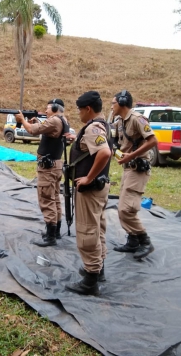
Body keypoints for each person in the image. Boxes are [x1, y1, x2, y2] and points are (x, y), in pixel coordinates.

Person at [63, 91, 112, 296]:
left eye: (80, 109)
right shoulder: (102, 125)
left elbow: (104, 152)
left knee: (87, 232)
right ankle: (98, 270)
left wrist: (88, 178)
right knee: (98, 229)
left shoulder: (92, 128)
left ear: (88, 109)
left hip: (90, 190)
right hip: (100, 188)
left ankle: (90, 280)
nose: (79, 113)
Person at [15, 98, 69, 247]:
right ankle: (55, 231)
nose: (45, 111)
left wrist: (22, 120)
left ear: (56, 107)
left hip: (49, 167)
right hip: (55, 165)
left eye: (48, 108)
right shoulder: (62, 120)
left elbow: (32, 131)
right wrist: (36, 121)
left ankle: (50, 237)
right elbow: (46, 129)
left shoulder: (54, 121)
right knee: (54, 198)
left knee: (46, 199)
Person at [111, 89, 158, 260]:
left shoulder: (137, 119)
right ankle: (132, 240)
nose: (111, 106)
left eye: (113, 103)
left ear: (122, 102)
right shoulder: (119, 121)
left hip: (138, 169)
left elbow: (153, 140)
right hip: (128, 169)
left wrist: (131, 155)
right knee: (123, 206)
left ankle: (145, 241)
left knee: (126, 209)